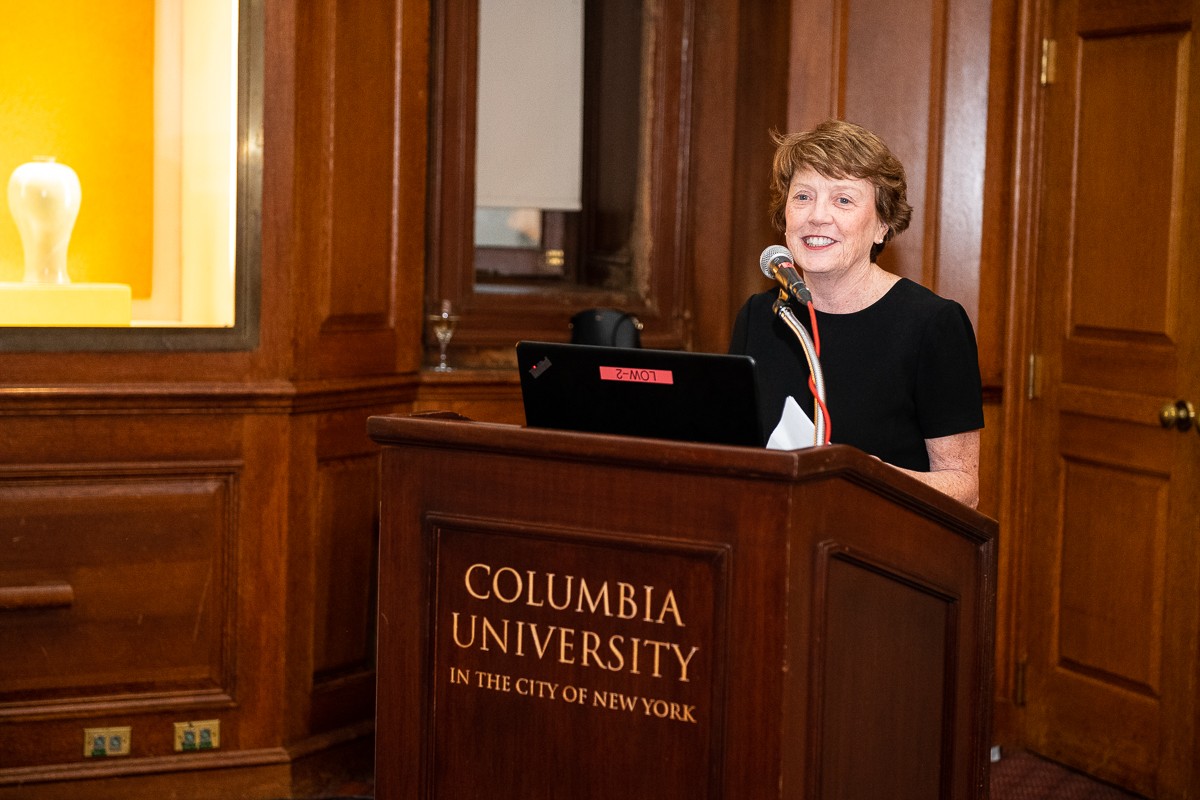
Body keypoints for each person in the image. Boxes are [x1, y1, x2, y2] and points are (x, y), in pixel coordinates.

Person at [729, 119, 983, 507]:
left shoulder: (933, 325)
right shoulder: (759, 316)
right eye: (803, 197)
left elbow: (964, 489)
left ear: (882, 224)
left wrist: (870, 477)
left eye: (843, 200)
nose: (817, 216)